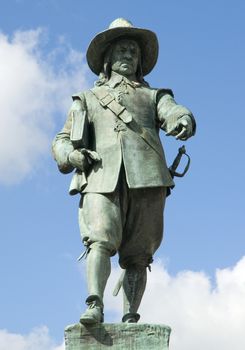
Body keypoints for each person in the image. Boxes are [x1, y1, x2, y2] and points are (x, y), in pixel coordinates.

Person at [52, 18, 196, 324]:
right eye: (122, 50)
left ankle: (131, 316)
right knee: (100, 239)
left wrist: (183, 119)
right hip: (101, 178)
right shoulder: (87, 99)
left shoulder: (154, 96)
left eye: (133, 51)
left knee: (139, 253)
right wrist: (72, 156)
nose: (128, 55)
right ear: (108, 58)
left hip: (147, 180)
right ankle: (95, 303)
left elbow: (173, 111)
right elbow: (61, 140)